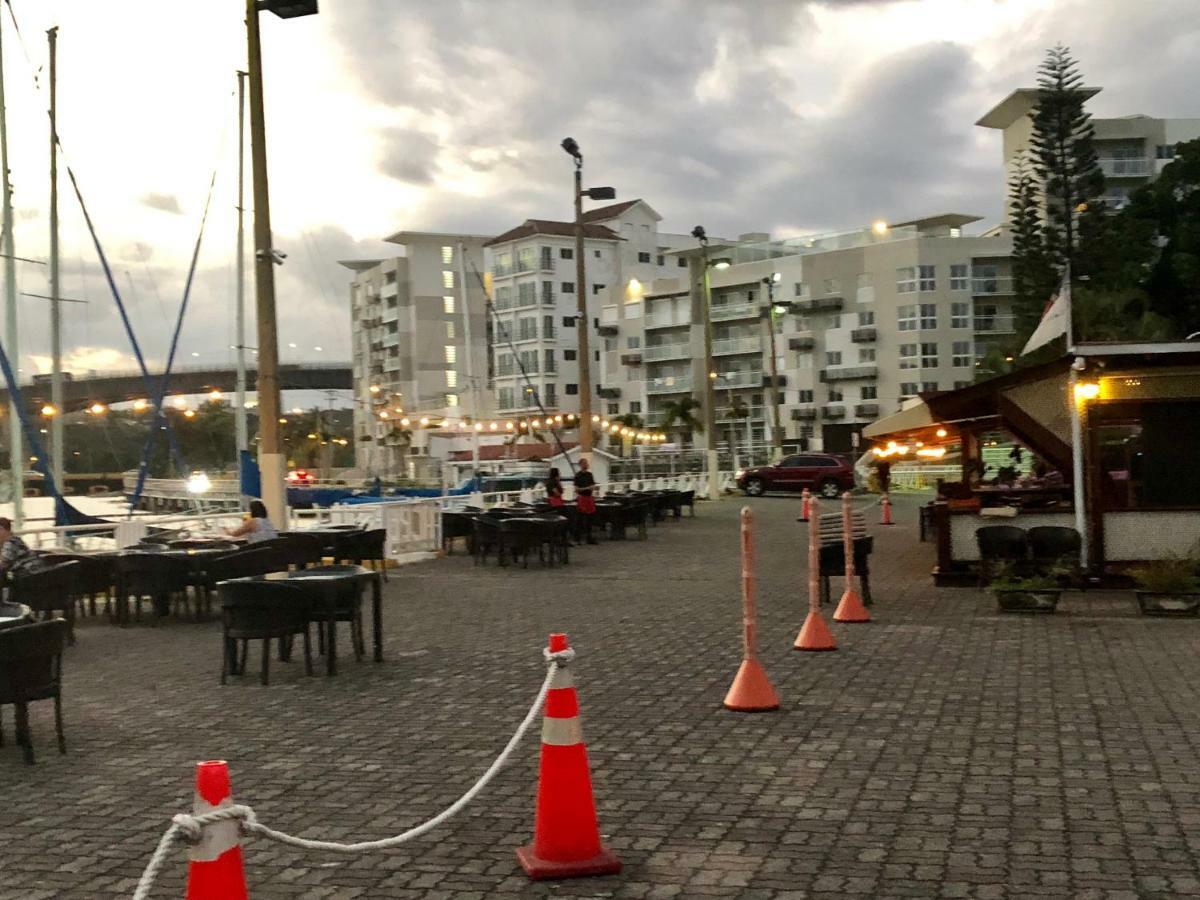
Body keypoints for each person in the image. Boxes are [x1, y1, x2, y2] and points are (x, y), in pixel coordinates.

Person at [573, 457, 598, 544]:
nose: (586, 465)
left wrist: (593, 488)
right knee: (581, 518)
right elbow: (577, 489)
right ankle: (578, 538)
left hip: (589, 498)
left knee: (590, 518)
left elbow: (593, 485)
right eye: (585, 463)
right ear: (581, 465)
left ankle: (589, 537)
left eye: (587, 463)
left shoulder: (589, 475)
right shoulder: (578, 476)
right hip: (582, 498)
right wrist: (587, 488)